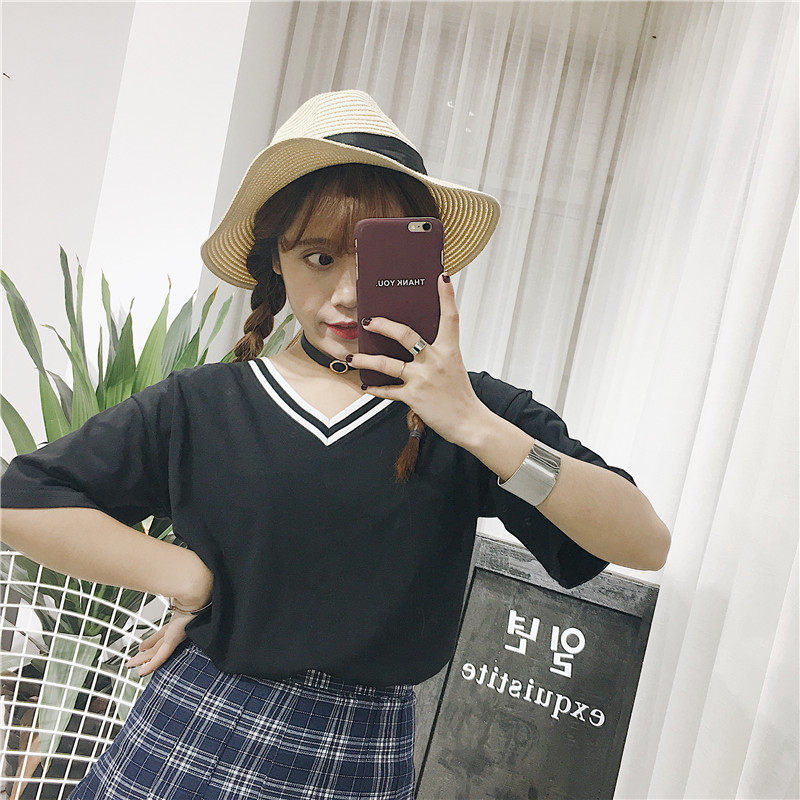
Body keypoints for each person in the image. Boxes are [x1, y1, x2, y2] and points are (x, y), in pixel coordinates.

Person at [0, 90, 667, 799]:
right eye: (318, 257)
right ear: (276, 265)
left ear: (425, 267)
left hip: (363, 754)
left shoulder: (476, 414)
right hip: (194, 729)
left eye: (376, 261)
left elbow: (643, 541)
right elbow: (23, 498)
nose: (349, 292)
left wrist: (474, 425)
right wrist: (186, 576)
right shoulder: (205, 403)